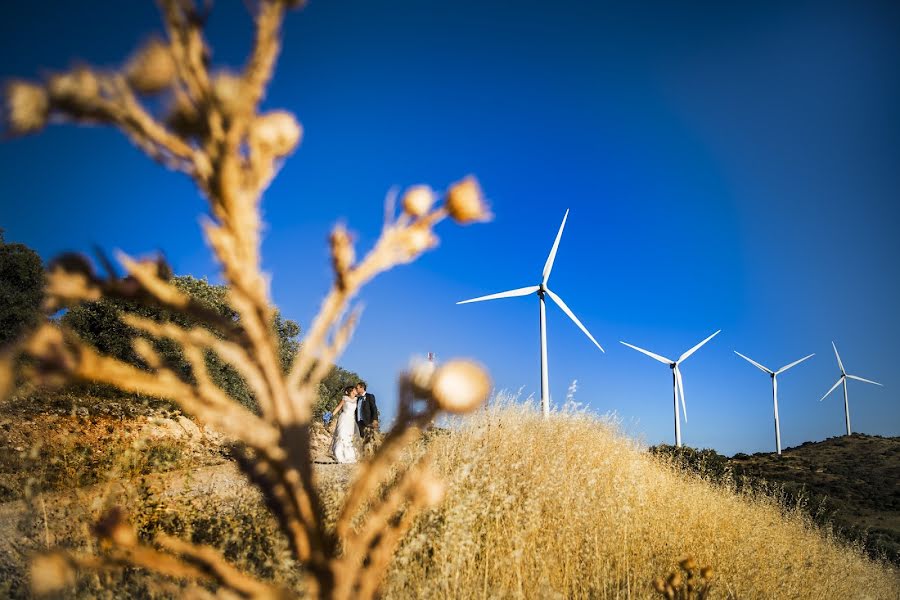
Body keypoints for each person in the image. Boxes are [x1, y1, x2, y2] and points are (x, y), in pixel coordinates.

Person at [330, 385, 359, 464]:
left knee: (349, 438)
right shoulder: (345, 398)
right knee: (341, 435)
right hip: (344, 418)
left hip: (351, 421)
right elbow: (339, 407)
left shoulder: (356, 399)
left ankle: (349, 457)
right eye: (355, 389)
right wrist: (331, 415)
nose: (356, 390)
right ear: (351, 391)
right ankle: (339, 456)